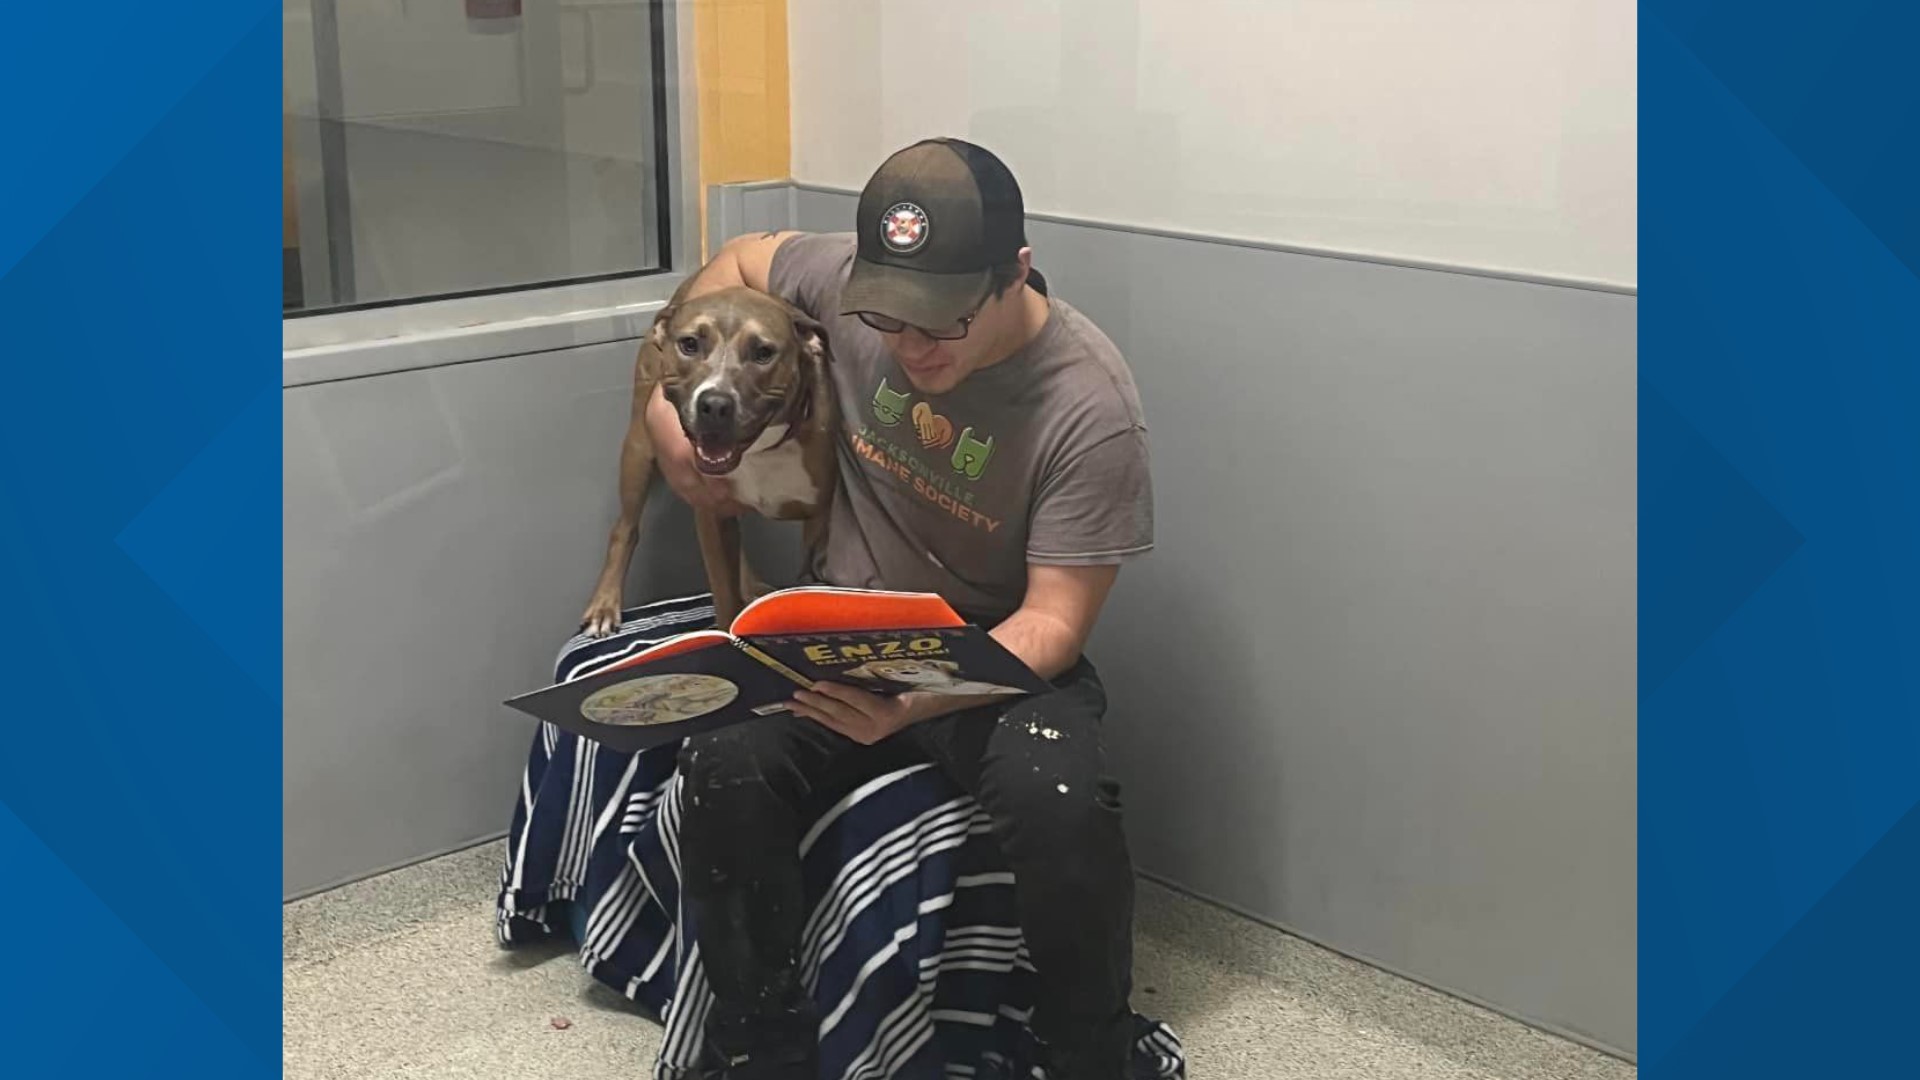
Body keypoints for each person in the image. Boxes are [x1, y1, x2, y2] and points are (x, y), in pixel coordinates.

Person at [647, 138, 1155, 1079]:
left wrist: (919, 698)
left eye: (942, 323)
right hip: (842, 631)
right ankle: (761, 1046)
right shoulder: (841, 282)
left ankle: (1091, 1051)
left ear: (1016, 275)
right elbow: (737, 266)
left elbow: (1053, 623)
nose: (910, 347)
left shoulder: (1089, 405)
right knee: (722, 761)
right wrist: (663, 418)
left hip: (991, 652)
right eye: (885, 318)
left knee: (1064, 804)